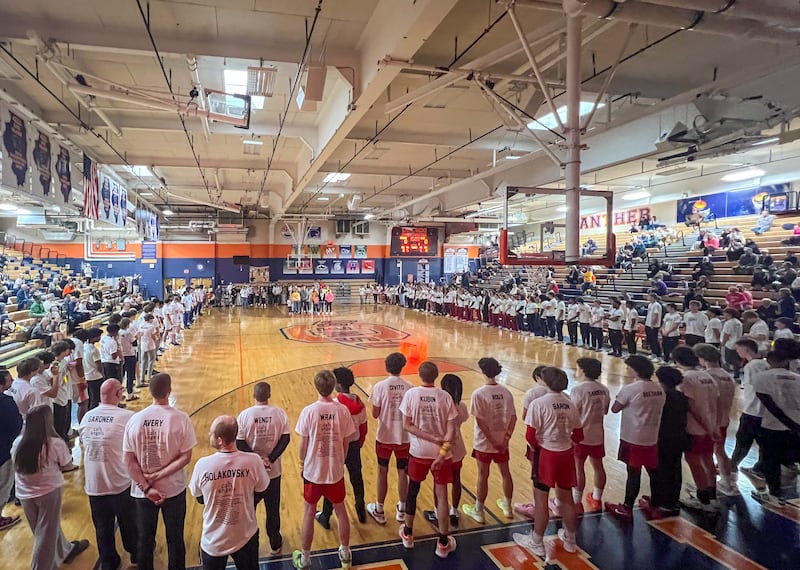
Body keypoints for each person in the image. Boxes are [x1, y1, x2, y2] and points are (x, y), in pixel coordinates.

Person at [123, 373, 197, 570]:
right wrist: (158, 475)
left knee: (144, 539)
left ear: (150, 391)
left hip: (142, 492)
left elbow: (128, 460)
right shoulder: (181, 419)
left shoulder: (135, 420)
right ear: (169, 391)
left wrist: (147, 487)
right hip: (173, 490)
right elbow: (185, 457)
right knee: (175, 538)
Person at [512, 367, 582, 556]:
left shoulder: (538, 403)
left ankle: (536, 541)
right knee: (567, 499)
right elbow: (579, 434)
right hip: (566, 454)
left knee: (541, 500)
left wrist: (538, 448)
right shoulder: (570, 403)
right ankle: (570, 539)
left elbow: (530, 435)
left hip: (546, 455)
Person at [13, 405, 90, 568]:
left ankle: (65, 550)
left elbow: (16, 464)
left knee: (43, 529)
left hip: (24, 493)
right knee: (45, 534)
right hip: (48, 492)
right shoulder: (54, 443)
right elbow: (67, 465)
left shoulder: (18, 443)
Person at [293, 370, 356, 570]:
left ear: (316, 386)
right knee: (341, 511)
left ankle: (305, 559)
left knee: (309, 512)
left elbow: (303, 444)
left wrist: (302, 463)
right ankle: (345, 553)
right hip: (335, 472)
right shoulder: (343, 411)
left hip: (313, 472)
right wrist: (340, 461)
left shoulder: (309, 411)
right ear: (333, 386)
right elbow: (346, 442)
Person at [189, 415, 270, 570]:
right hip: (246, 535)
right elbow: (262, 490)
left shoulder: (202, 465)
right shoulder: (254, 461)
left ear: (220, 440)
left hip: (213, 541)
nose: (209, 434)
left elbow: (199, 498)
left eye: (211, 432)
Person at [398, 361, 458, 559]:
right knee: (442, 495)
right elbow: (451, 431)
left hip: (418, 452)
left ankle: (408, 533)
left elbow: (407, 425)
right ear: (437, 375)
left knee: (413, 490)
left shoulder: (411, 394)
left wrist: (429, 437)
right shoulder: (445, 397)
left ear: (419, 374)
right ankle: (443, 542)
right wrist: (441, 454)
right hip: (441, 453)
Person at [79, 379, 138, 570]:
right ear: (119, 393)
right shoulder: (128, 417)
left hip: (94, 485)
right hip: (120, 482)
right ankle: (136, 554)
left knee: (102, 528)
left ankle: (108, 562)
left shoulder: (87, 417)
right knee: (129, 523)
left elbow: (84, 444)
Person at [605, 355, 666, 521]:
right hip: (652, 437)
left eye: (628, 367)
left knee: (633, 474)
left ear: (635, 370)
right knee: (653, 472)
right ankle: (655, 505)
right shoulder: (659, 388)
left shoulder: (630, 389)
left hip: (633, 437)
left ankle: (626, 507)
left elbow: (615, 409)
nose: (626, 369)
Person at [236, 381, 290, 555]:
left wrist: (257, 460)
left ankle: (247, 541)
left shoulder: (244, 416)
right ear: (269, 395)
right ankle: (275, 543)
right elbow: (285, 439)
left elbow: (240, 443)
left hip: (252, 474)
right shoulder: (279, 414)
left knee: (249, 509)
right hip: (273, 472)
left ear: (254, 395)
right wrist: (270, 459)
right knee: (273, 509)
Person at [461, 358, 516, 523]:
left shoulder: (479, 393)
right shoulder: (506, 392)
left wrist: (492, 441)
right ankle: (507, 507)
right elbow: (513, 418)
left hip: (484, 443)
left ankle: (479, 510)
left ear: (482, 371)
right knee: (505, 473)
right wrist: (505, 440)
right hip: (502, 442)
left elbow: (480, 421)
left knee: (483, 475)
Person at [750, 339, 800, 505]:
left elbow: (769, 404)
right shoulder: (797, 378)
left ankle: (775, 495)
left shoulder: (760, 377)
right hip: (796, 425)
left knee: (771, 461)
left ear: (769, 361)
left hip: (772, 426)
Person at [670, 346, 720, 512]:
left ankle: (704, 501)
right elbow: (716, 402)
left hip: (695, 428)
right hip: (711, 425)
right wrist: (713, 426)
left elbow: (692, 407)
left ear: (677, 360)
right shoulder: (707, 376)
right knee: (708, 460)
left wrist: (706, 426)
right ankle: (713, 498)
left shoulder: (686, 378)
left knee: (695, 463)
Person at [317, 367, 367, 528]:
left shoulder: (335, 405)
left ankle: (326, 515)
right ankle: (361, 510)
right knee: (357, 478)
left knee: (333, 480)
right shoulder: (359, 403)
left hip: (338, 447)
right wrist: (358, 443)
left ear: (337, 384)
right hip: (354, 446)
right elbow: (364, 428)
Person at [639, 367, 690, 518]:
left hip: (663, 437)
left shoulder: (662, 397)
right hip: (679, 437)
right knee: (675, 469)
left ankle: (661, 504)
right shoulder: (681, 396)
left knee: (659, 470)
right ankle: (670, 501)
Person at [366, 353, 411, 525]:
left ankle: (379, 509)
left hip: (384, 437)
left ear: (386, 366)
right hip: (404, 437)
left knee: (382, 471)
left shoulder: (379, 386)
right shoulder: (409, 387)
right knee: (402, 472)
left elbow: (375, 414)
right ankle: (402, 509)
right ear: (402, 366)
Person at [423, 373, 468, 528]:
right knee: (456, 479)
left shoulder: (439, 405)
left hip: (442, 450)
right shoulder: (461, 406)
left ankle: (437, 513)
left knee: (439, 483)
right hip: (458, 448)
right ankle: (454, 511)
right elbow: (463, 419)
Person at [567, 358, 610, 514]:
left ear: (583, 371)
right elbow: (606, 410)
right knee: (598, 466)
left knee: (578, 467)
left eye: (578, 368)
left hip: (581, 435)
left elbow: (573, 414)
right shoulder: (604, 389)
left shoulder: (578, 390)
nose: (576, 371)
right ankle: (597, 499)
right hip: (598, 434)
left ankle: (577, 502)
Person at [693, 343, 737, 495]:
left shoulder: (706, 376)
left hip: (711, 422)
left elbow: (708, 402)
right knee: (720, 451)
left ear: (702, 358)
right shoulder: (728, 376)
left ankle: (707, 487)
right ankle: (726, 482)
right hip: (724, 419)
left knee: (705, 455)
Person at [0, 366, 23, 530]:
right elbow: (16, 425)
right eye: (10, 380)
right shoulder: (6, 402)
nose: (13, 381)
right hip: (4, 451)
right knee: (4, 484)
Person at [6, 356, 44, 421]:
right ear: (32, 372)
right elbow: (36, 414)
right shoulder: (32, 391)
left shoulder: (11, 384)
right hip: (27, 423)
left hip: (13, 420)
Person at [721, 308, 744, 380]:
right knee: (735, 360)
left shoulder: (729, 323)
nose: (723, 315)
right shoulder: (738, 322)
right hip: (737, 342)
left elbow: (727, 334)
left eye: (725, 313)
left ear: (729, 314)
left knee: (727, 360)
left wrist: (723, 342)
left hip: (729, 343)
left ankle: (726, 374)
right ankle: (736, 374)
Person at [645, 294, 663, 362]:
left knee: (654, 340)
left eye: (649, 296)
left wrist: (653, 324)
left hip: (654, 326)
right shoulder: (650, 304)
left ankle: (658, 356)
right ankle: (653, 353)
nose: (648, 297)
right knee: (650, 340)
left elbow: (656, 315)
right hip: (648, 324)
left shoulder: (656, 305)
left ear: (653, 297)